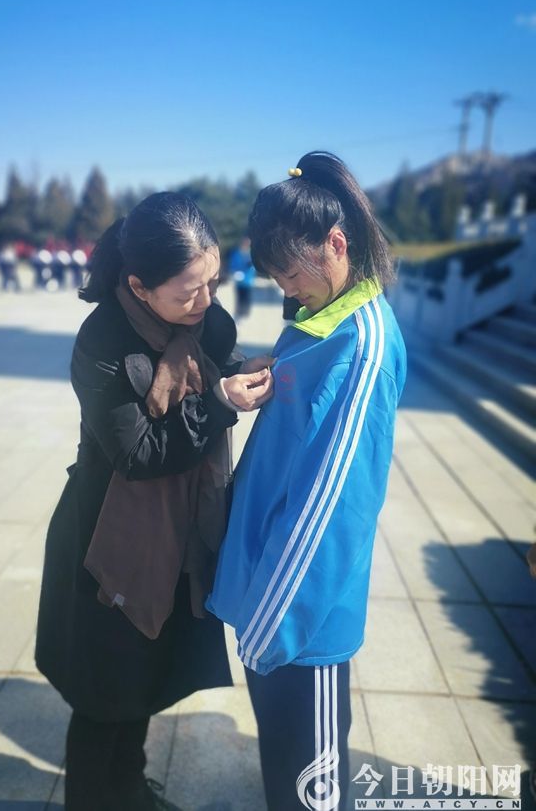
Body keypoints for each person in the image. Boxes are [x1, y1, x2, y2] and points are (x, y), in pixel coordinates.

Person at [35, 192, 274, 811]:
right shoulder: (102, 341)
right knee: (102, 695)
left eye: (213, 282)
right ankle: (94, 800)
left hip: (176, 539)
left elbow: (217, 367)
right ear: (139, 288)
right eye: (188, 292)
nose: (206, 301)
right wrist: (219, 402)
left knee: (142, 677)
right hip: (109, 541)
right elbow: (137, 453)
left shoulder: (207, 324)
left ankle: (131, 789)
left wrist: (245, 373)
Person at [207, 152, 407, 811]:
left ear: (337, 245)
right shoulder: (321, 320)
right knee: (283, 762)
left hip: (299, 617)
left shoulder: (362, 346)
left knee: (311, 788)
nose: (287, 291)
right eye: (277, 278)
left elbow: (334, 509)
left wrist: (272, 625)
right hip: (269, 591)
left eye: (292, 274)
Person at [228, 237, 256, 320]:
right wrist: (235, 272)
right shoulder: (236, 253)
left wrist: (250, 265)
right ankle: (239, 313)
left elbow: (253, 267)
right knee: (239, 297)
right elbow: (232, 265)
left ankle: (245, 313)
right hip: (239, 281)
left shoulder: (251, 255)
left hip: (248, 281)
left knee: (247, 298)